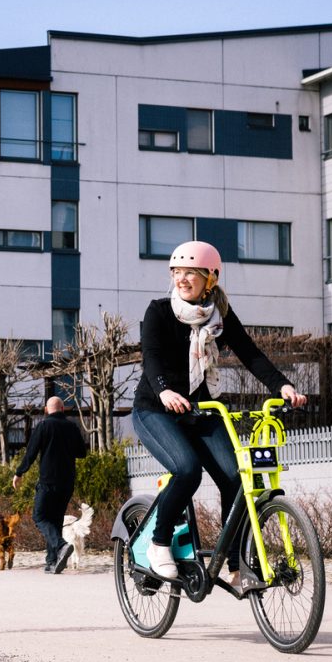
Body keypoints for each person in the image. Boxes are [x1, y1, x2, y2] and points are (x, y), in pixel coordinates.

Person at [133, 241, 306, 584]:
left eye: (190, 273)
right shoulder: (159, 311)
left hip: (202, 409)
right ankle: (158, 543)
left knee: (236, 477)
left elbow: (250, 353)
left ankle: (236, 565)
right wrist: (165, 389)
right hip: (157, 410)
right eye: (176, 272)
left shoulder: (220, 315)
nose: (181, 279)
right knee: (186, 471)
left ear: (209, 279)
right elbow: (151, 357)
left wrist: (282, 386)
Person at [12, 395, 87, 574]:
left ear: (46, 410)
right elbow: (82, 453)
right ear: (62, 409)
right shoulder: (72, 427)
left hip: (48, 481)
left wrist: (19, 472)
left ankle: (61, 546)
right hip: (67, 482)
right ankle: (52, 561)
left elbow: (31, 452)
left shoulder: (43, 426)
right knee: (55, 519)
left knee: (39, 517)